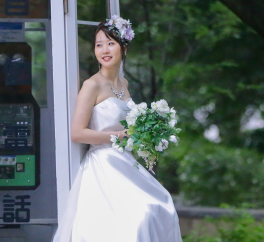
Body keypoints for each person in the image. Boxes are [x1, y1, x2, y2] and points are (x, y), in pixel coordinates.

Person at [53, 17, 182, 242]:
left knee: (161, 203)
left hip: (126, 161)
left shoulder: (124, 84)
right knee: (138, 216)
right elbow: (77, 133)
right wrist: (117, 136)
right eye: (99, 44)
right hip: (103, 164)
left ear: (124, 47)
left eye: (110, 43)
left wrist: (146, 134)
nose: (104, 50)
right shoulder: (91, 85)